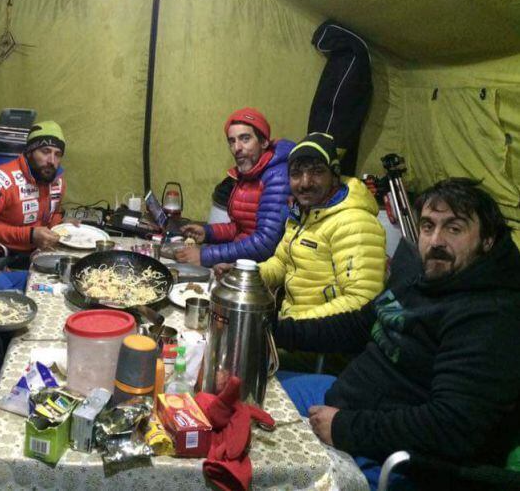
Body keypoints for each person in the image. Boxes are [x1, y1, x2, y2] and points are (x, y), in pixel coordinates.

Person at [276, 178, 520, 489]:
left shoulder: (491, 315)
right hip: (345, 397)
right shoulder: (423, 274)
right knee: (249, 391)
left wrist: (345, 428)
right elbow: (359, 325)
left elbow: (452, 426)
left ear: (487, 240)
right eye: (428, 226)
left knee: (260, 460)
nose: (436, 241)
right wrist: (276, 332)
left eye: (454, 229)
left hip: (391, 455)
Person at [257, 132, 386, 321]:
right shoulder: (302, 211)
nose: (305, 183)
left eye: (317, 172)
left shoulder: (355, 223)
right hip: (294, 327)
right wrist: (246, 275)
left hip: (326, 342)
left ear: (334, 176)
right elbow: (282, 262)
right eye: (296, 173)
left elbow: (361, 301)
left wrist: (293, 326)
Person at [175, 107, 294, 267]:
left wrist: (205, 255)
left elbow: (265, 244)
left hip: (264, 271)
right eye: (232, 141)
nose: (237, 148)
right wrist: (208, 232)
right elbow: (241, 229)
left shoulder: (278, 176)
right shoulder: (248, 173)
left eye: (245, 138)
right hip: (244, 262)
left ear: (264, 142)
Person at [0, 121, 66, 255]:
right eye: (45, 151)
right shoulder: (3, 178)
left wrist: (60, 228)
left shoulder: (58, 181)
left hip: (40, 253)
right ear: (29, 152)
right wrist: (29, 235)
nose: (52, 160)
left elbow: (54, 213)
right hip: (4, 257)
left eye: (57, 154)